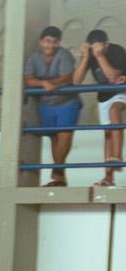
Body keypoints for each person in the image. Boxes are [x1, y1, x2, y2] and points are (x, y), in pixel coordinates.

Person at [24, 25, 80, 187]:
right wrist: (43, 83)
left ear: (59, 43)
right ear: (41, 41)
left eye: (55, 42)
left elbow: (67, 77)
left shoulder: (64, 54)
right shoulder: (34, 58)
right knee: (54, 138)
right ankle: (60, 177)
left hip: (67, 102)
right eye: (48, 41)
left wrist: (50, 84)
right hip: (46, 104)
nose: (51, 45)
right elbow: (27, 79)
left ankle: (57, 173)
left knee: (65, 136)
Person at [75, 29, 126, 187]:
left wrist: (100, 55)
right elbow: (76, 81)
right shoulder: (90, 54)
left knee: (114, 110)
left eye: (100, 47)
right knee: (108, 134)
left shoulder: (116, 50)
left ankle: (117, 157)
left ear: (106, 44)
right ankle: (108, 178)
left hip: (121, 91)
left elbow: (112, 77)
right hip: (104, 96)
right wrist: (85, 57)